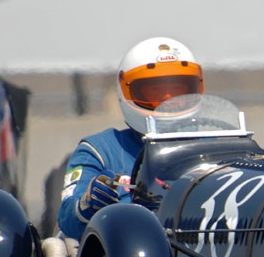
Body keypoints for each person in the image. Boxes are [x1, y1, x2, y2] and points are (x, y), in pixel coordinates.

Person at [57, 36, 204, 239]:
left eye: (178, 90)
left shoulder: (214, 145)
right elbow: (66, 218)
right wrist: (87, 203)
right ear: (126, 90)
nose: (169, 100)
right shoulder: (100, 150)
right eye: (156, 91)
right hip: (132, 253)